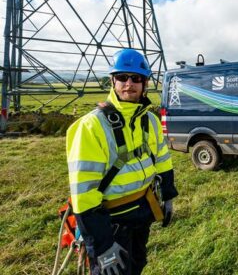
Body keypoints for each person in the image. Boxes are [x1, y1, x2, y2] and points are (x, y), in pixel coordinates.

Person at [66, 49, 178, 275]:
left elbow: (163, 160)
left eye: (136, 78)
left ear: (145, 83)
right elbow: (84, 194)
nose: (129, 83)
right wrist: (103, 245)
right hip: (110, 222)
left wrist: (168, 196)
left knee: (137, 265)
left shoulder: (150, 121)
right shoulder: (91, 127)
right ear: (112, 81)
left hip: (142, 211)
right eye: (122, 77)